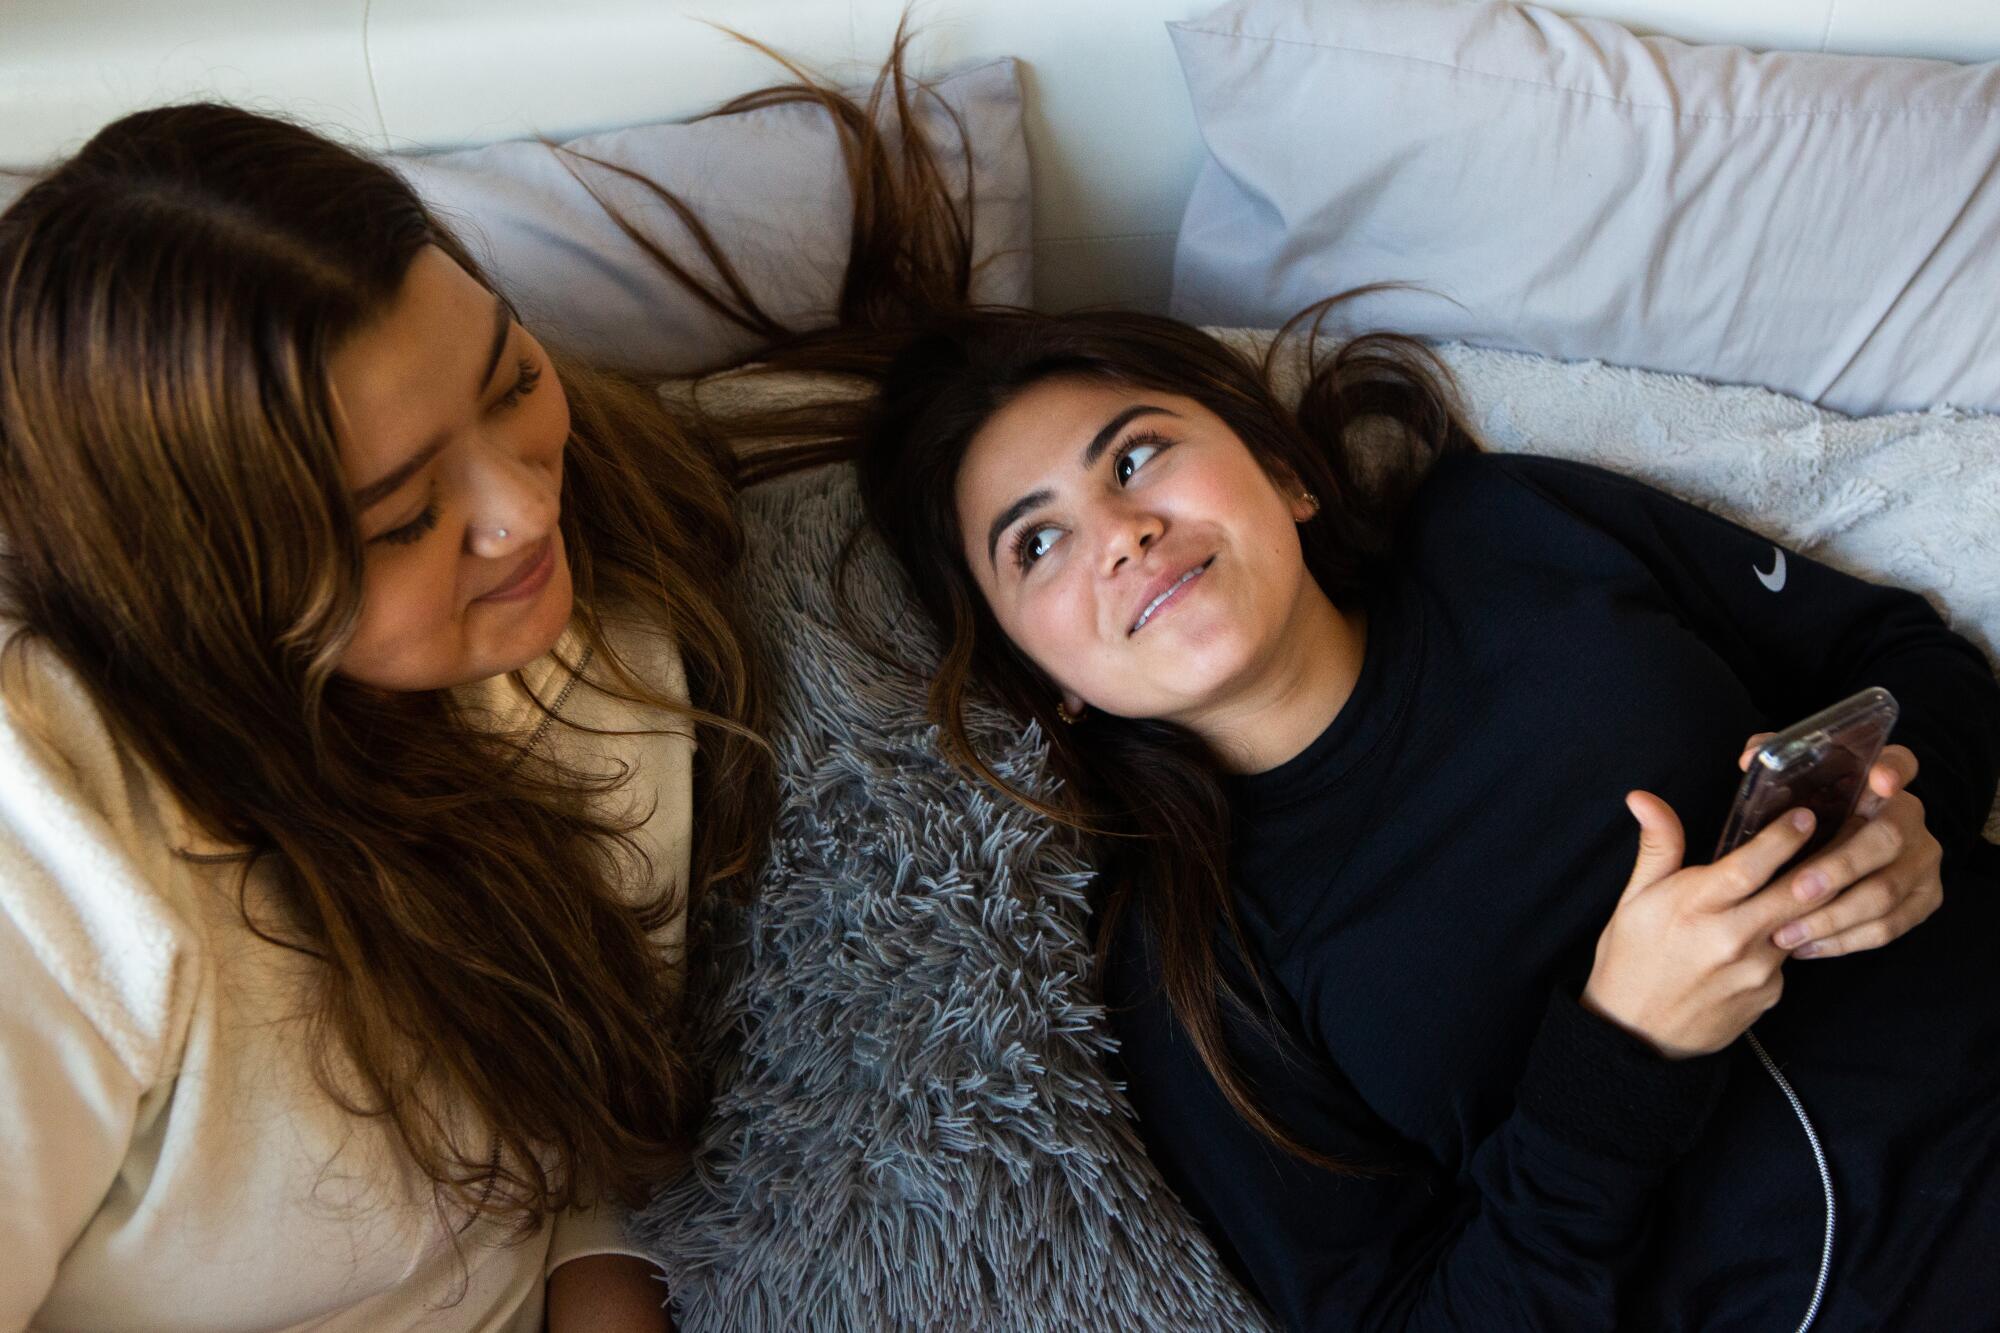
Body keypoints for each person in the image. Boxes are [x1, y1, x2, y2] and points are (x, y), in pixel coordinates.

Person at [0, 40, 970, 1331]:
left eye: (512, 376)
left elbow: (570, 1165)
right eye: (401, 518)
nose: (523, 510)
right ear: (206, 588)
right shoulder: (50, 835)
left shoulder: (600, 607)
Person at [851, 305, 2000, 1330]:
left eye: (1137, 455)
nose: (1120, 531)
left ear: (1285, 475)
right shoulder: (1190, 969)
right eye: (1035, 543)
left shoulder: (1503, 527)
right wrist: (1623, 1057)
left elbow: (1902, 657)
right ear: (1047, 678)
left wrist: (1909, 811)